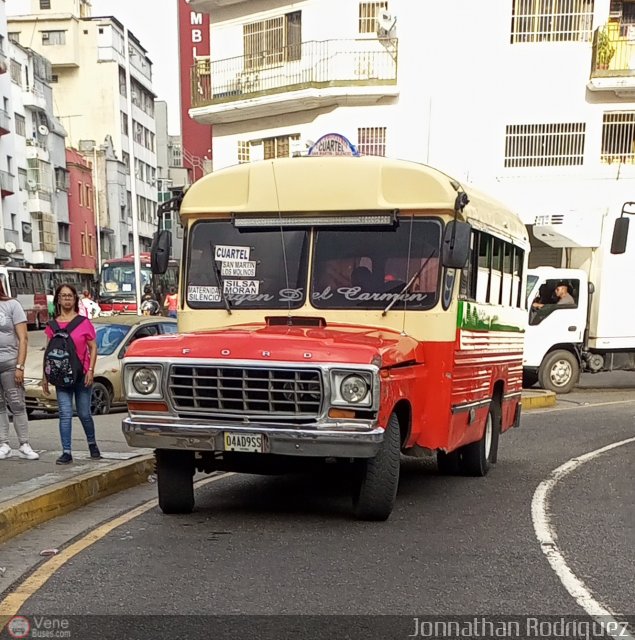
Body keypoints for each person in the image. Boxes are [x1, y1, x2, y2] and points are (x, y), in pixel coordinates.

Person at [43, 284, 101, 465]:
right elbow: (48, 351)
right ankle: (66, 451)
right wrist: (45, 377)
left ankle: (92, 443)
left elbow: (93, 347)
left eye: (70, 296)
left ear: (75, 299)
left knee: (84, 413)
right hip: (61, 376)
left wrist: (90, 370)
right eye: (63, 296)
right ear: (58, 299)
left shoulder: (83, 322)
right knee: (65, 414)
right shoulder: (52, 325)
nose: (67, 299)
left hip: (82, 375)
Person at [0, 281, 38, 460]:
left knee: (17, 404)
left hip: (10, 363)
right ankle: (3, 443)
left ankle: (24, 444)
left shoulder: (12, 305)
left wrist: (20, 366)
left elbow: (23, 338)